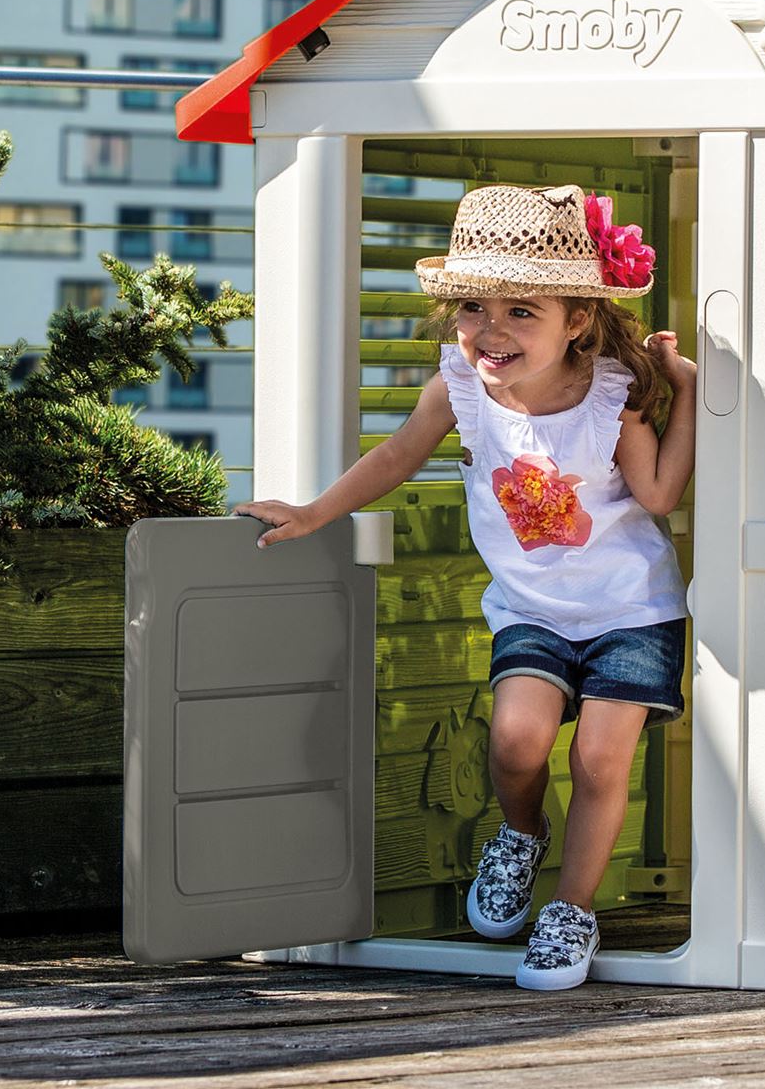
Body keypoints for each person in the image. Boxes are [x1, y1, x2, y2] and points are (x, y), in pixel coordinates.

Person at [232, 182, 695, 991]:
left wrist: (687, 389)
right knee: (515, 743)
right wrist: (314, 513)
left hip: (632, 609)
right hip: (531, 609)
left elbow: (657, 497)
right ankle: (521, 836)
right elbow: (394, 458)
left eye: (522, 311)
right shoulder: (459, 390)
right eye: (474, 307)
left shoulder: (610, 399)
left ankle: (572, 911)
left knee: (597, 759)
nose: (492, 330)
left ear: (577, 319)